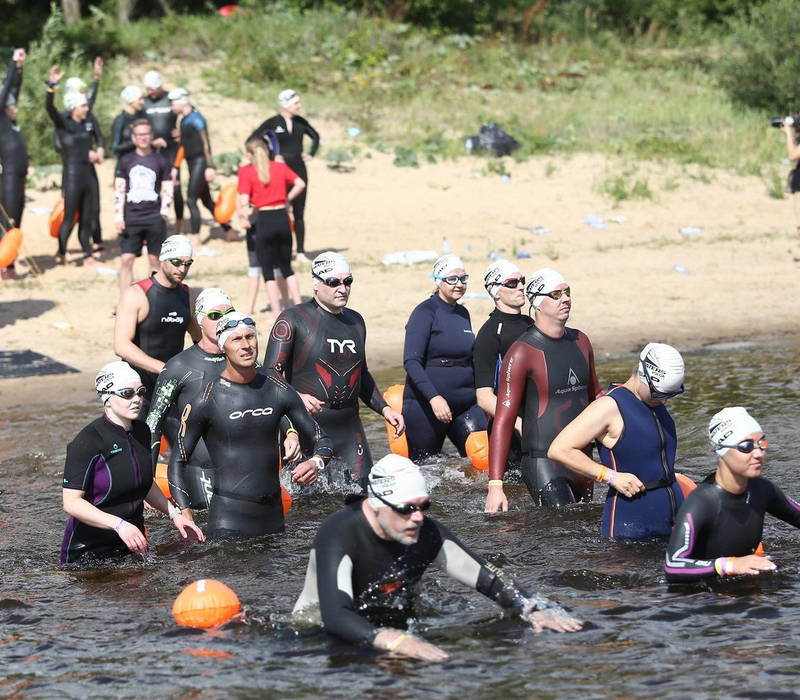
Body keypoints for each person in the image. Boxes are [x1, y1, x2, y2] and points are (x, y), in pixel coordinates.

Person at [293, 455, 583, 660]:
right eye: (406, 508)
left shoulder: (424, 531)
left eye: (423, 506)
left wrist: (529, 607)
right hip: (319, 637)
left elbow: (486, 576)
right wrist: (399, 642)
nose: (417, 518)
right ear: (376, 505)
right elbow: (335, 615)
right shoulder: (339, 531)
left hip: (392, 627)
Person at [170, 313, 332, 537]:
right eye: (236, 339)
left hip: (274, 517)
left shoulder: (277, 388)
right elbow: (178, 460)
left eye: (250, 337)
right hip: (229, 519)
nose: (246, 345)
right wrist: (185, 513)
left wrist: (316, 463)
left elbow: (321, 439)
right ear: (222, 346)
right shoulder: (206, 399)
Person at [264, 252, 404, 485]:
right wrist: (296, 397)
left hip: (349, 428)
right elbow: (269, 373)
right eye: (334, 282)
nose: (343, 288)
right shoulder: (293, 319)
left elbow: (362, 375)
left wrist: (385, 410)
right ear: (316, 284)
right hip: (307, 427)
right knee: (307, 511)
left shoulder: (356, 322)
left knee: (363, 497)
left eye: (348, 281)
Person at [60, 361, 204, 564]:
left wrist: (175, 514)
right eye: (127, 393)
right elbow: (71, 503)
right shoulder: (87, 441)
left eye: (141, 392)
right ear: (107, 398)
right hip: (88, 553)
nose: (137, 399)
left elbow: (144, 482)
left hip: (132, 543)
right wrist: (119, 525)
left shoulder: (142, 432)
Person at [485, 268, 601, 512]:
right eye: (556, 294)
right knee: (563, 528)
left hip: (582, 460)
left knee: (585, 532)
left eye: (567, 292)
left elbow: (597, 400)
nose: (566, 298)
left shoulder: (581, 341)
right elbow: (503, 422)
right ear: (537, 303)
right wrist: (495, 485)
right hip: (543, 462)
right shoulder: (521, 352)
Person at [548, 343, 686, 539]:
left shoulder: (652, 402)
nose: (664, 401)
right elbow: (559, 449)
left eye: (670, 395)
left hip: (671, 517)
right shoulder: (609, 406)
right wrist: (610, 476)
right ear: (643, 376)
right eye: (660, 394)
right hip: (631, 521)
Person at [664, 407, 800, 582]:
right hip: (703, 599)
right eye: (746, 446)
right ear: (722, 449)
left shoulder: (762, 489)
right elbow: (672, 565)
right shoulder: (702, 502)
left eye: (762, 444)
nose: (759, 454)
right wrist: (730, 565)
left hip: (746, 590)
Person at [145, 287, 235, 509]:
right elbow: (154, 424)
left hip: (242, 468)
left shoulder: (243, 358)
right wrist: (144, 483)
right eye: (215, 316)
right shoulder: (178, 367)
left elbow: (274, 399)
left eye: (229, 314)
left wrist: (290, 434)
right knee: (209, 538)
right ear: (200, 321)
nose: (223, 321)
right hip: (200, 469)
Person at [402, 254, 487, 463]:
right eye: (452, 279)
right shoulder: (424, 312)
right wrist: (434, 398)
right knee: (427, 470)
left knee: (484, 465)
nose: (459, 284)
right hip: (426, 406)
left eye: (463, 278)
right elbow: (411, 361)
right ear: (438, 281)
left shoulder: (463, 314)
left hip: (466, 405)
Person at [113, 234, 200, 406]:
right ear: (163, 259)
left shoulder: (188, 295)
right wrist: (162, 368)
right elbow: (121, 345)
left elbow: (201, 340)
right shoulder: (137, 293)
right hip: (137, 391)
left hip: (171, 387)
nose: (182, 269)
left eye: (187, 263)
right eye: (176, 262)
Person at [237, 135, 304, 320]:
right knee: (287, 268)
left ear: (250, 154)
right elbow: (300, 183)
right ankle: (298, 305)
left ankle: (276, 312)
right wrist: (287, 199)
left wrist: (244, 214)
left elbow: (243, 201)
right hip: (282, 217)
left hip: (264, 219)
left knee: (268, 272)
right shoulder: (279, 167)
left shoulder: (246, 171)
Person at [249, 89, 319, 263]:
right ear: (286, 104)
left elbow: (315, 137)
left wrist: (310, 153)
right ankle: (281, 251)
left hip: (299, 168)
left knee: (299, 212)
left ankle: (301, 251)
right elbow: (254, 138)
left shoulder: (301, 122)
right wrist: (271, 155)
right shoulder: (273, 122)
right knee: (280, 211)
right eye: (296, 103)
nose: (299, 105)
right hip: (279, 172)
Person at [45, 65, 105, 265]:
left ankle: (87, 252)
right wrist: (52, 85)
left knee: (87, 217)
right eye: (83, 106)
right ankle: (62, 251)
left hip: (88, 175)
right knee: (69, 217)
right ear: (73, 108)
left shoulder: (85, 124)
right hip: (72, 177)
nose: (87, 109)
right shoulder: (63, 124)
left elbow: (97, 140)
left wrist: (98, 152)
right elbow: (50, 107)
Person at [472, 259, 533, 448]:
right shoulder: (489, 334)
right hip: (511, 431)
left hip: (537, 421)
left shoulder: (531, 323)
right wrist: (519, 424)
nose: (521, 287)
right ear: (496, 291)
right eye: (512, 283)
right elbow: (484, 397)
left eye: (522, 280)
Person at [114, 119, 173, 293]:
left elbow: (167, 187)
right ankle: (125, 299)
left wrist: (164, 213)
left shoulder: (161, 160)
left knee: (155, 260)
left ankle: (154, 299)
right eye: (140, 134)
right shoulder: (126, 160)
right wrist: (118, 217)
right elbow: (119, 190)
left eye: (146, 134)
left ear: (152, 135)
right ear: (134, 137)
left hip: (153, 217)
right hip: (131, 217)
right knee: (126, 259)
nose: (143, 138)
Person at [169, 88, 223, 240]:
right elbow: (183, 146)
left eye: (173, 103)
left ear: (181, 102)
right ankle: (228, 229)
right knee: (206, 200)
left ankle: (195, 236)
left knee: (191, 199)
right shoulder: (184, 120)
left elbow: (206, 143)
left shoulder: (196, 118)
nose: (171, 107)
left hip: (200, 161)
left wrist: (210, 166)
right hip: (191, 162)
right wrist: (176, 166)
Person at [142, 70, 183, 230]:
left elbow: (188, 111)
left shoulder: (170, 98)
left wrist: (182, 131)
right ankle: (156, 222)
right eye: (147, 90)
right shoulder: (144, 102)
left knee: (176, 187)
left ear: (159, 86)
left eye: (153, 89)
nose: (150, 92)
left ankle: (180, 223)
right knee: (153, 187)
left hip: (171, 150)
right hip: (151, 150)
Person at [0, 49, 28, 280]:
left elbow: (14, 91)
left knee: (16, 222)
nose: (15, 108)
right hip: (7, 177)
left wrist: (20, 69)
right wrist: (13, 64)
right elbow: (7, 90)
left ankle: (9, 264)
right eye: (11, 106)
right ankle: (4, 268)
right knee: (7, 222)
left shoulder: (12, 124)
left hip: (19, 178)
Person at [110, 85, 146, 166]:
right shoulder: (120, 120)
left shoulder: (144, 117)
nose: (143, 102)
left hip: (143, 164)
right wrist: (134, 143)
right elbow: (114, 148)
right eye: (140, 99)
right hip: (125, 166)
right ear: (131, 101)